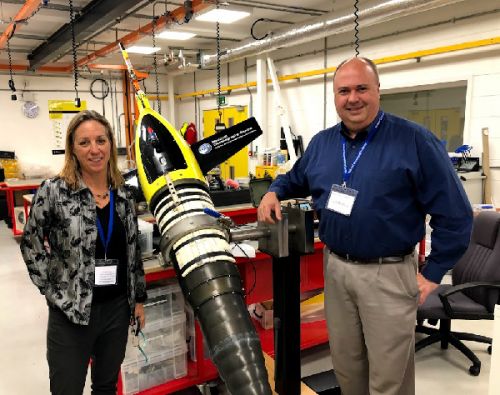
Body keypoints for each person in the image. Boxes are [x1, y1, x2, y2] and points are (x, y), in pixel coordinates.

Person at [258, 57, 472, 395]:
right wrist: (274, 191)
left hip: (387, 274)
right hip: (337, 269)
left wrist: (434, 273)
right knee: (347, 366)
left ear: (378, 91)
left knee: (389, 379)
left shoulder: (414, 141)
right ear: (335, 96)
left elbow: (457, 215)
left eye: (361, 88)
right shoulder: (323, 144)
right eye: (344, 90)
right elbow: (295, 178)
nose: (352, 98)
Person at [20, 110, 147, 395]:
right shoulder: (54, 192)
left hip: (116, 309)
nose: (94, 150)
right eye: (84, 143)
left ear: (111, 145)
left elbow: (133, 251)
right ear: (72, 149)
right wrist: (52, 289)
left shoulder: (124, 194)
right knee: (66, 389)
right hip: (71, 313)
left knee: (106, 386)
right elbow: (31, 243)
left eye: (101, 140)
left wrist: (138, 299)